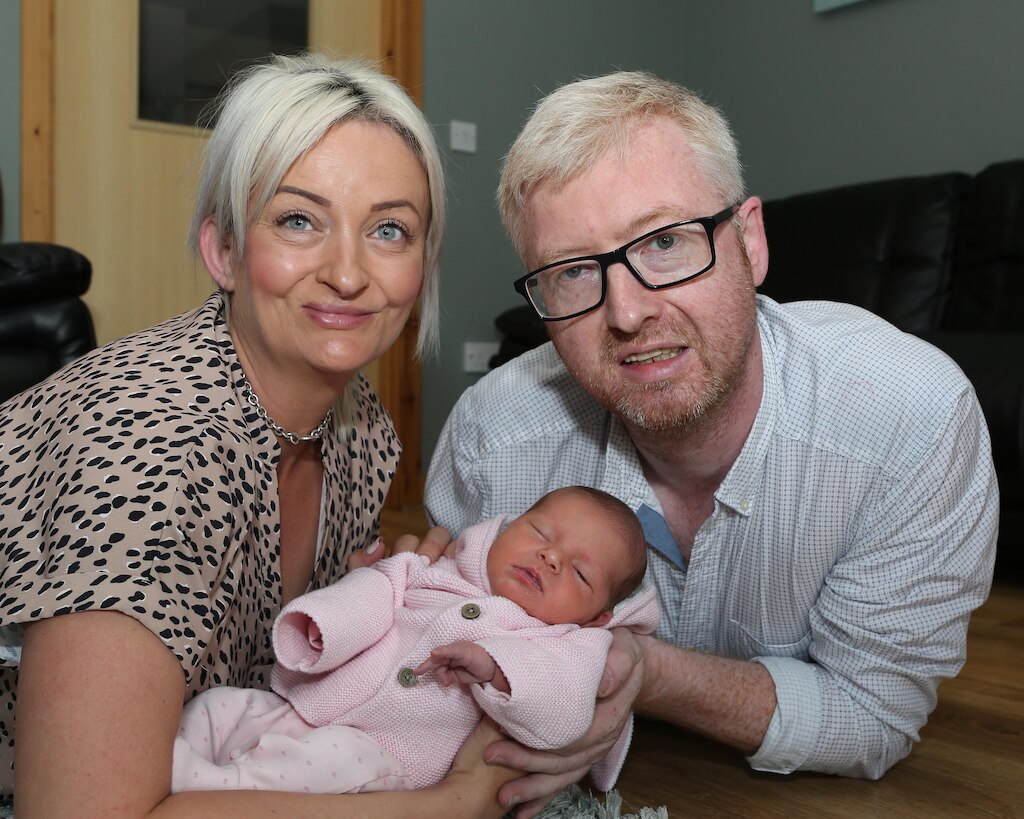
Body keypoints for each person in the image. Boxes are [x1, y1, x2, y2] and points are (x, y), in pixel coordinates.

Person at [425, 70, 999, 816]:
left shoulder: (910, 420)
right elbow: (433, 639)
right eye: (572, 273)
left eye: (665, 242)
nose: (628, 313)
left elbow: (874, 713)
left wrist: (643, 670)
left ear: (750, 241)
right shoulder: (494, 439)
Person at [0, 53, 516, 818]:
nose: (348, 272)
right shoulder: (150, 445)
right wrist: (450, 801)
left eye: (389, 229)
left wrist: (392, 604)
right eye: (299, 219)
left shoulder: (359, 428)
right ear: (226, 250)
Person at [172, 485, 657, 795]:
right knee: (218, 707)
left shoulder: (571, 644)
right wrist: (326, 626)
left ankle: (209, 789)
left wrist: (498, 668)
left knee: (311, 767)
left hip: (383, 761)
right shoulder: (436, 566)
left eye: (579, 571)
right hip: (305, 707)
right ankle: (165, 753)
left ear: (599, 617)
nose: (550, 557)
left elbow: (564, 708)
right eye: (540, 532)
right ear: (506, 527)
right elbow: (375, 589)